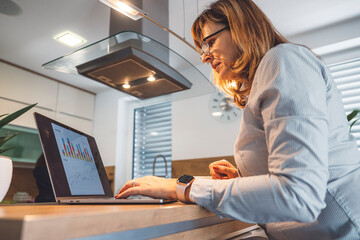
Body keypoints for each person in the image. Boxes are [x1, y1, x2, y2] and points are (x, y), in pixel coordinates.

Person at [116, 0, 360, 239]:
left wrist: (182, 187)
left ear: (242, 27)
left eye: (210, 42)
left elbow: (298, 195)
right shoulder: (269, 74)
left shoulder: (284, 59)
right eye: (203, 47)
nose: (204, 57)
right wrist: (244, 182)